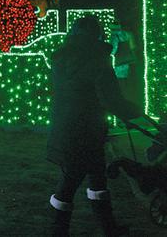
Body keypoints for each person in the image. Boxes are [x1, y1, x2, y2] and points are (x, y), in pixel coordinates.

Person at [47, 16, 142, 236]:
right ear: (96, 35)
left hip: (65, 127)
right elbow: (111, 98)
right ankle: (59, 232)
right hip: (88, 130)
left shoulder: (62, 59)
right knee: (71, 182)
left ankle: (108, 228)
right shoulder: (98, 58)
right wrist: (133, 113)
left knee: (96, 178)